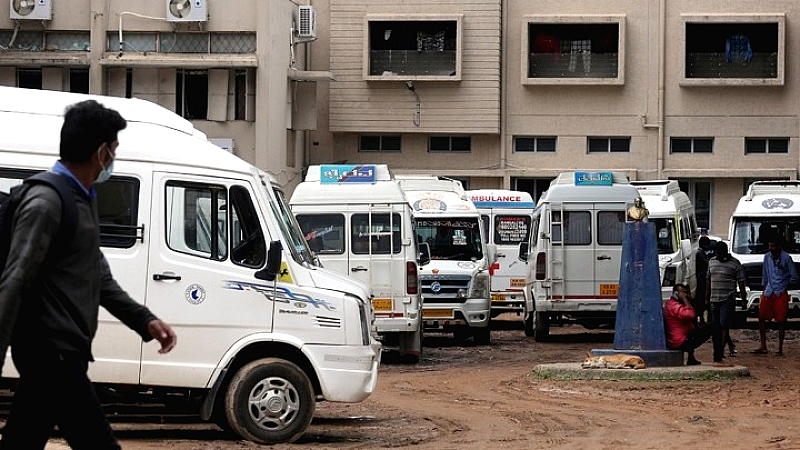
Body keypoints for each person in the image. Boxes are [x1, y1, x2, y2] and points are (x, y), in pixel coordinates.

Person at [0, 100, 177, 449]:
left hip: (60, 353)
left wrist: (144, 320)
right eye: (114, 148)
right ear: (101, 152)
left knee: (21, 441)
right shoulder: (47, 203)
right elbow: (15, 281)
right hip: (52, 353)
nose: (114, 156)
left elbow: (99, 277)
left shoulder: (82, 199)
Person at [753, 234, 799, 356]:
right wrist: (764, 291)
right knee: (761, 317)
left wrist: (784, 284)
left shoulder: (786, 258)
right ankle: (763, 346)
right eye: (769, 246)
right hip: (768, 291)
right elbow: (765, 275)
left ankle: (780, 348)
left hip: (780, 292)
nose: (771, 248)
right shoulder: (767, 257)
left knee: (781, 321)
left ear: (779, 246)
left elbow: (794, 277)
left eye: (773, 246)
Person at [705, 241, 746, 367]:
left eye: (720, 252)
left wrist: (743, 298)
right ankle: (727, 345)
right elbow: (708, 280)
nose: (718, 254)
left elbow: (741, 282)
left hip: (727, 297)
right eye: (716, 252)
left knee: (724, 324)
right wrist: (706, 298)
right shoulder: (711, 262)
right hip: (714, 298)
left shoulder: (735, 263)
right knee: (716, 325)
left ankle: (719, 352)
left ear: (725, 251)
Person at [663, 283, 717, 365]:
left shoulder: (670, 304)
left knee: (692, 329)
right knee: (715, 326)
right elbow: (691, 315)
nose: (685, 294)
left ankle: (691, 358)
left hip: (679, 338)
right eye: (683, 292)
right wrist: (685, 300)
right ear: (676, 293)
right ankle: (718, 358)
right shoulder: (674, 306)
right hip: (680, 341)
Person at [694, 236, 711, 326]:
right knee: (701, 300)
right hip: (702, 281)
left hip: (702, 280)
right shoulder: (700, 253)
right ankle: (701, 319)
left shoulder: (701, 253)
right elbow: (707, 263)